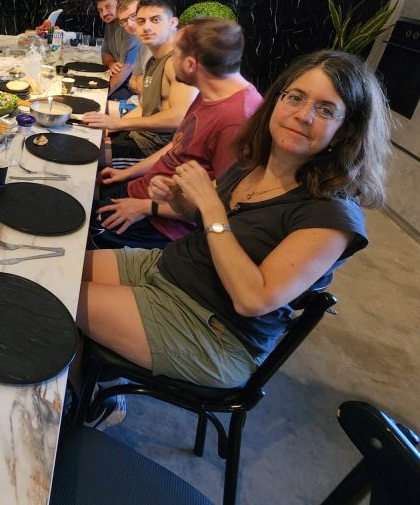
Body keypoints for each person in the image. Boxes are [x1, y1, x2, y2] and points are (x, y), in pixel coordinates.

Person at [78, 51, 390, 416]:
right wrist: (177, 196)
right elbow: (198, 214)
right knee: (57, 272)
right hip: (171, 268)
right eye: (296, 97)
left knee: (54, 296)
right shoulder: (255, 161)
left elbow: (252, 299)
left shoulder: (332, 216)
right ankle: (86, 384)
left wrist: (211, 207)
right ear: (277, 100)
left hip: (213, 330)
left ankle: (91, 407)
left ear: (346, 130)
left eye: (326, 110)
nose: (304, 115)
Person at [93, 17, 263, 249]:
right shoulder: (210, 91)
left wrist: (146, 207)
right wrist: (128, 173)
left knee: (78, 234)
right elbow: (177, 146)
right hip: (143, 191)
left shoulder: (237, 120)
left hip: (161, 222)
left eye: (174, 55)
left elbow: (224, 203)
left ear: (191, 64)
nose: (169, 61)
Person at [83, 0, 197, 168]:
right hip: (139, 136)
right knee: (86, 136)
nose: (146, 27)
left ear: (173, 22)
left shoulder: (178, 61)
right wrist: (110, 128)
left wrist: (118, 123)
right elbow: (144, 108)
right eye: (141, 21)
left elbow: (180, 117)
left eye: (155, 20)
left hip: (155, 151)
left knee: (85, 156)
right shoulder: (153, 60)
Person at [96, 0, 140, 100]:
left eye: (108, 7)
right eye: (100, 10)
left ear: (121, 5)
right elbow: (105, 53)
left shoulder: (130, 28)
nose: (104, 13)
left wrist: (100, 97)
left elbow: (126, 67)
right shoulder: (110, 24)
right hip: (123, 78)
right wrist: (111, 63)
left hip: (129, 83)